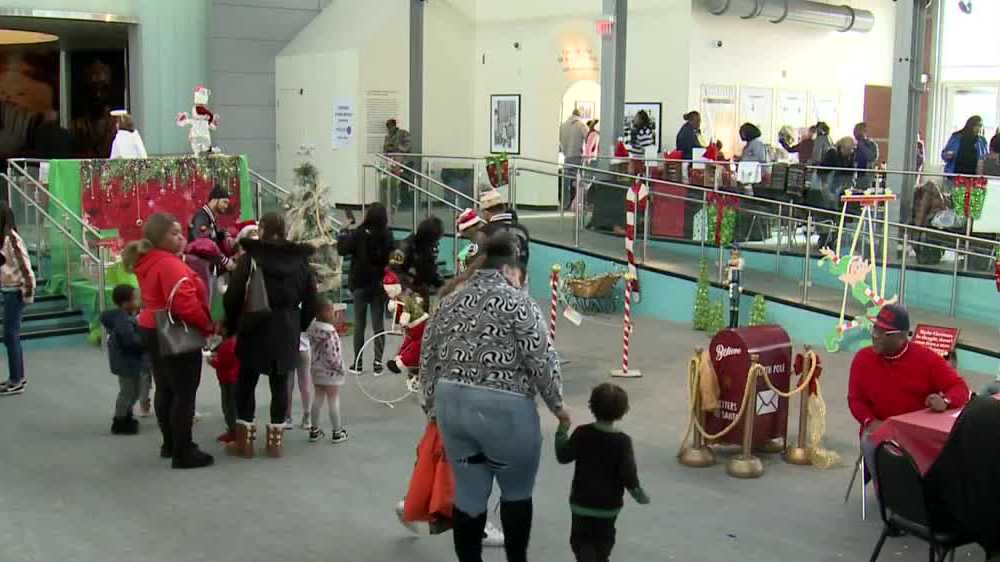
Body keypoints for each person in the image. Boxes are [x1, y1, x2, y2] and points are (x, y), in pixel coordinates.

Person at [420, 234, 568, 562]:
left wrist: (431, 406)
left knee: (469, 494)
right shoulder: (517, 302)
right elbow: (541, 356)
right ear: (509, 266)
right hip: (505, 413)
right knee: (516, 493)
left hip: (453, 409)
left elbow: (428, 356)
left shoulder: (449, 301)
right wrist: (558, 405)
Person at [123, 213, 215, 468]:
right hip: (174, 328)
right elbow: (184, 303)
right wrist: (206, 325)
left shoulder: (148, 260)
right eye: (173, 233)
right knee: (184, 393)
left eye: (180, 232)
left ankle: (170, 443)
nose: (181, 237)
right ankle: (183, 451)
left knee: (165, 387)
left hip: (151, 326)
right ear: (159, 238)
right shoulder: (170, 264)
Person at [223, 212, 318, 459]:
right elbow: (312, 301)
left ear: (262, 229)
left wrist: (232, 325)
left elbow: (233, 295)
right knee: (280, 384)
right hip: (287, 326)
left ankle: (245, 442)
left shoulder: (251, 258)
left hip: (254, 325)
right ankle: (275, 442)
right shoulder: (300, 261)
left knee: (246, 382)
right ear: (284, 230)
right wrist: (299, 326)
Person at [847, 304, 970, 474]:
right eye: (875, 328)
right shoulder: (862, 359)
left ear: (903, 336)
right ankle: (889, 495)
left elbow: (960, 388)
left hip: (915, 434)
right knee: (872, 444)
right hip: (879, 429)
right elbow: (855, 399)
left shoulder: (926, 359)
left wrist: (946, 401)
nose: (876, 336)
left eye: (884, 332)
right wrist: (870, 421)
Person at [556, 383, 650, 562]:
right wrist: (639, 495)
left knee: (580, 542)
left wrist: (562, 429)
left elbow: (563, 456)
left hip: (581, 503)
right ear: (623, 411)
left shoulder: (582, 433)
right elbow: (628, 475)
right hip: (608, 507)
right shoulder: (623, 442)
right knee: (603, 543)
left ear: (591, 406)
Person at [337, 203, 395, 373]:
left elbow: (342, 249)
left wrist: (343, 230)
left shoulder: (359, 233)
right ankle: (378, 363)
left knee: (359, 324)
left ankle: (358, 362)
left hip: (360, 284)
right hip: (378, 284)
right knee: (378, 324)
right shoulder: (388, 234)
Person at [100, 284, 150, 435]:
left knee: (133, 391)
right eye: (135, 299)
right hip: (126, 361)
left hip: (129, 361)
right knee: (128, 392)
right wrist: (145, 342)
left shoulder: (127, 317)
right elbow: (129, 340)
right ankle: (120, 419)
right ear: (125, 303)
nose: (138, 301)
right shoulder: (124, 320)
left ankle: (127, 414)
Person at [0, 203, 33, 397]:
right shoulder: (3, 239)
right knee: (10, 336)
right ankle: (16, 376)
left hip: (16, 292)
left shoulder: (12, 239)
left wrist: (27, 293)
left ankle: (17, 379)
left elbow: (26, 268)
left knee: (10, 336)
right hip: (8, 290)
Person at [306, 298, 349, 444]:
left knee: (317, 398)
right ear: (326, 312)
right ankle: (337, 431)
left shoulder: (312, 329)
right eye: (332, 310)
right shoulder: (330, 334)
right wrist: (341, 369)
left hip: (316, 370)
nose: (334, 313)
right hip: (331, 373)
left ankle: (314, 430)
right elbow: (333, 356)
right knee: (333, 399)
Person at [480, 189, 530, 271]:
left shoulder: (485, 231)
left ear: (486, 212)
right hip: (519, 279)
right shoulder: (523, 230)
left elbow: (469, 258)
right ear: (503, 208)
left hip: (494, 280)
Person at [401, 216, 445, 303]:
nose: (437, 243)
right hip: (406, 292)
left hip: (421, 292)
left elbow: (431, 272)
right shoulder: (406, 247)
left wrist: (442, 284)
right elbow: (395, 271)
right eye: (436, 239)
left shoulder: (427, 250)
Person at [208, 328, 239, 444]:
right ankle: (236, 430)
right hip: (234, 377)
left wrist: (211, 361)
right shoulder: (234, 341)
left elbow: (222, 363)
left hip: (228, 379)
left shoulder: (227, 344)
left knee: (228, 406)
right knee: (233, 405)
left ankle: (233, 431)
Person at [559, 109, 589, 210]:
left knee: (566, 182)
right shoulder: (581, 125)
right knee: (578, 181)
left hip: (566, 157)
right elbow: (588, 139)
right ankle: (577, 204)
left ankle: (565, 203)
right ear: (579, 115)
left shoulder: (563, 125)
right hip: (577, 157)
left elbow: (560, 141)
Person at [819, 137, 857, 208]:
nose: (851, 151)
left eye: (852, 149)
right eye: (848, 149)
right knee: (830, 204)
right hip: (830, 183)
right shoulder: (832, 153)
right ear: (842, 147)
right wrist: (825, 185)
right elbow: (822, 170)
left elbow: (851, 171)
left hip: (842, 184)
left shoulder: (850, 155)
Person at [853, 122, 879, 189]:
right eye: (855, 131)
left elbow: (871, 157)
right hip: (853, 176)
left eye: (859, 130)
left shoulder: (872, 145)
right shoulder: (852, 145)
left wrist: (861, 144)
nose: (857, 133)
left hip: (866, 176)